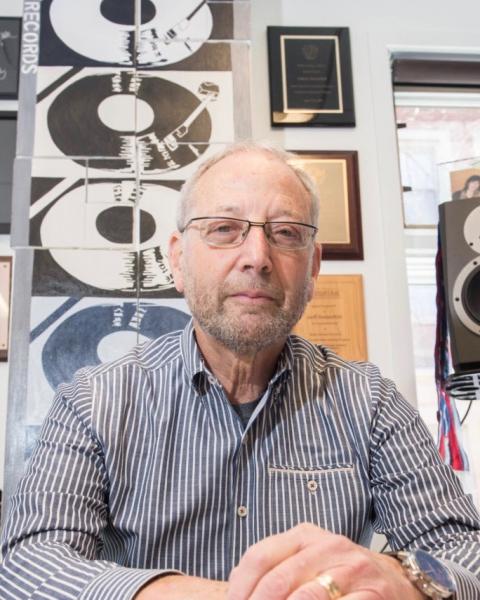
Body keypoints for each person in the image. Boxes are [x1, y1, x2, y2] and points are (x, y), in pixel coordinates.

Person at [1, 142, 480, 600]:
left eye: (286, 232)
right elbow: (27, 567)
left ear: (312, 268)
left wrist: (407, 576)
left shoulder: (372, 402)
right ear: (178, 259)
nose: (256, 257)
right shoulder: (94, 401)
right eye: (224, 229)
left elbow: (465, 553)